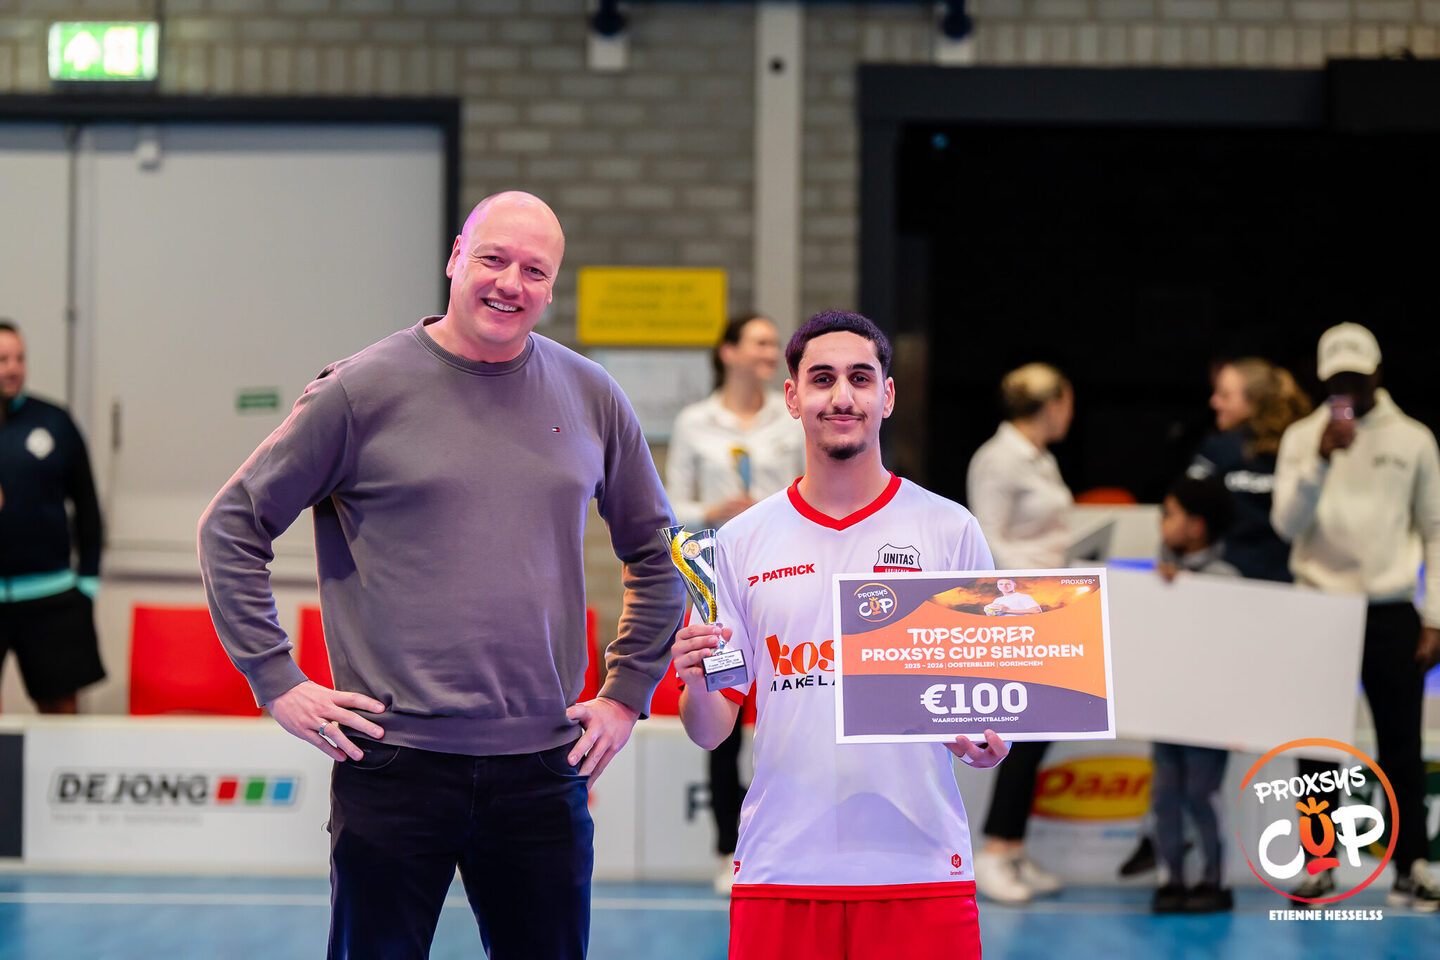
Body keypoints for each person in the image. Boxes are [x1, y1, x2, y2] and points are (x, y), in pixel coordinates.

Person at [197, 191, 685, 959]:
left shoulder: (592, 395)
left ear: (552, 289)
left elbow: (660, 552)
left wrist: (627, 693)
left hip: (543, 764)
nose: (510, 283)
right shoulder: (359, 390)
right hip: (393, 760)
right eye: (493, 259)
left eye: (534, 270)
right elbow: (232, 525)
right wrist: (276, 678)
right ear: (456, 258)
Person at [671, 310, 1009, 960]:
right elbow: (710, 730)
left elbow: (988, 711)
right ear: (792, 396)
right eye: (822, 379)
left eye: (860, 377)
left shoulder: (950, 530)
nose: (842, 396)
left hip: (920, 868)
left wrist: (986, 743)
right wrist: (696, 681)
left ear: (887, 394)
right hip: (781, 870)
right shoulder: (739, 543)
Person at [1271, 322, 1440, 908]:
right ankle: (1318, 866)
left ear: (1378, 374)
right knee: (1318, 749)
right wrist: (1320, 461)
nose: (1346, 389)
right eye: (1336, 380)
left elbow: (1435, 530)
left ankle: (1411, 864)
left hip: (1391, 610)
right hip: (1319, 608)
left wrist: (1435, 616)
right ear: (1323, 380)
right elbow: (1285, 525)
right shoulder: (1302, 437)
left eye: (1355, 378)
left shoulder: (1414, 439)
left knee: (1401, 745)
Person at [665, 312, 804, 894]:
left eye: (775, 344)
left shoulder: (791, 419)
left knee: (791, 702)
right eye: (761, 342)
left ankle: (791, 839)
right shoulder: (695, 422)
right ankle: (729, 849)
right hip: (718, 588)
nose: (771, 352)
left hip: (785, 581)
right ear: (728, 352)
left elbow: (808, 492)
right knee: (721, 706)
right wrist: (712, 513)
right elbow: (672, 506)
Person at [964, 361, 1073, 903]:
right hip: (1019, 608)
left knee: (1041, 729)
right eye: (1067, 402)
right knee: (1023, 731)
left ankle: (1013, 845)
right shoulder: (998, 458)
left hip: (1049, 603)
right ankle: (994, 850)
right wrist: (1034, 580)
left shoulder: (1040, 458)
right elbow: (985, 538)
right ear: (1051, 403)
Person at [0, 320, 105, 714]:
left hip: (52, 599)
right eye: (2, 360)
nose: (13, 368)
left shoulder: (55, 421)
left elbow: (88, 507)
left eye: (19, 358)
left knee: (61, 719)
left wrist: (87, 584)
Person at [1150, 477, 1239, 914]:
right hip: (1165, 708)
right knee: (1165, 795)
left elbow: (1234, 650)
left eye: (1170, 513)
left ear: (1196, 526)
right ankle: (1172, 878)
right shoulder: (1158, 575)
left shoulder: (1226, 581)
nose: (1162, 522)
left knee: (1202, 795)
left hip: (1208, 715)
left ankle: (1213, 879)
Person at [1188, 357, 1312, 582]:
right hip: (1278, 582)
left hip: (1236, 585)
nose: (1214, 402)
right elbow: (1188, 508)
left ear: (1254, 402)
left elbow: (1184, 514)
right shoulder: (1301, 445)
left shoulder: (1300, 449)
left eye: (1225, 395)